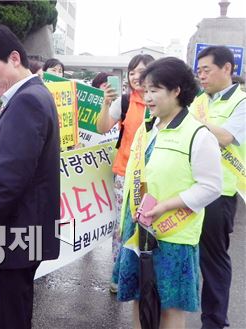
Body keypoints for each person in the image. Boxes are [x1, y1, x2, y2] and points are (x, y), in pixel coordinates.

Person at [0, 25, 61, 329]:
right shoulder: (33, 95)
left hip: (5, 243)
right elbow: (14, 167)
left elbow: (11, 180)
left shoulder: (27, 101)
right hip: (16, 241)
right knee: (13, 317)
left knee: (1, 319)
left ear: (14, 58)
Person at [116, 57, 222, 329]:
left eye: (155, 90)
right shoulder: (147, 129)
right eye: (146, 90)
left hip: (173, 235)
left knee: (170, 307)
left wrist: (166, 206)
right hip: (139, 230)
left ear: (176, 91)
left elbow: (211, 187)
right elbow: (134, 178)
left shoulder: (198, 134)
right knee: (139, 297)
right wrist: (123, 223)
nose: (148, 97)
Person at [190, 45, 246, 329]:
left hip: (219, 194)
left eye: (206, 70)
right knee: (187, 251)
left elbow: (226, 137)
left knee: (213, 259)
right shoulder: (201, 100)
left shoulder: (241, 102)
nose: (201, 76)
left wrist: (195, 123)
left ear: (227, 68)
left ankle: (214, 321)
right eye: (198, 71)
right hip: (190, 188)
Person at [95, 54, 155, 293]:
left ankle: (145, 274)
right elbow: (102, 128)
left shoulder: (162, 101)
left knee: (147, 225)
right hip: (124, 174)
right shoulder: (125, 101)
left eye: (141, 71)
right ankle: (119, 274)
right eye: (132, 73)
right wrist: (106, 103)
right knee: (122, 225)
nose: (136, 77)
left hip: (153, 177)